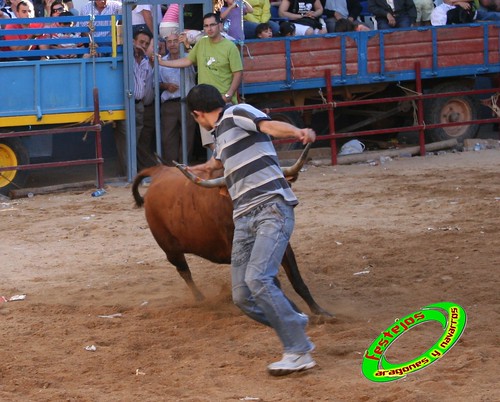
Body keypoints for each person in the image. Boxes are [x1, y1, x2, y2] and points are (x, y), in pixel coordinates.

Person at [186, 83, 317, 376]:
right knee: (243, 295)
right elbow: (218, 163)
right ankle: (292, 322)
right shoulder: (221, 134)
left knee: (258, 279)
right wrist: (203, 170)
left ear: (197, 114)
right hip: (244, 217)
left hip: (271, 207)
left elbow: (268, 126)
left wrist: (296, 133)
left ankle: (299, 351)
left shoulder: (236, 113)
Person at [157, 12, 243, 149]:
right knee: (211, 144)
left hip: (222, 101)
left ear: (220, 26)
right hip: (204, 102)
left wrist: (228, 95)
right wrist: (162, 63)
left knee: (228, 143)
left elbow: (238, 73)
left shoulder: (230, 47)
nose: (209, 29)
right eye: (206, 26)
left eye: (212, 25)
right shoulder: (202, 42)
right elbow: (187, 60)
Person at [114, 26, 155, 175]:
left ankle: (131, 172)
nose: (143, 46)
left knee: (134, 141)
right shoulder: (125, 57)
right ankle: (128, 174)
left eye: (146, 43)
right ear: (133, 41)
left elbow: (147, 85)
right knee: (125, 142)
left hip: (139, 106)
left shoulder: (145, 62)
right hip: (126, 105)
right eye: (141, 42)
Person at [159, 32, 197, 165]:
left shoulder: (190, 58)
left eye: (175, 41)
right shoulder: (161, 61)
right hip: (169, 104)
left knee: (188, 138)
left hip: (187, 102)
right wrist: (166, 86)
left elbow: (199, 69)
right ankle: (172, 168)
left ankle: (185, 167)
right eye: (169, 41)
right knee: (168, 139)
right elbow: (155, 83)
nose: (172, 44)